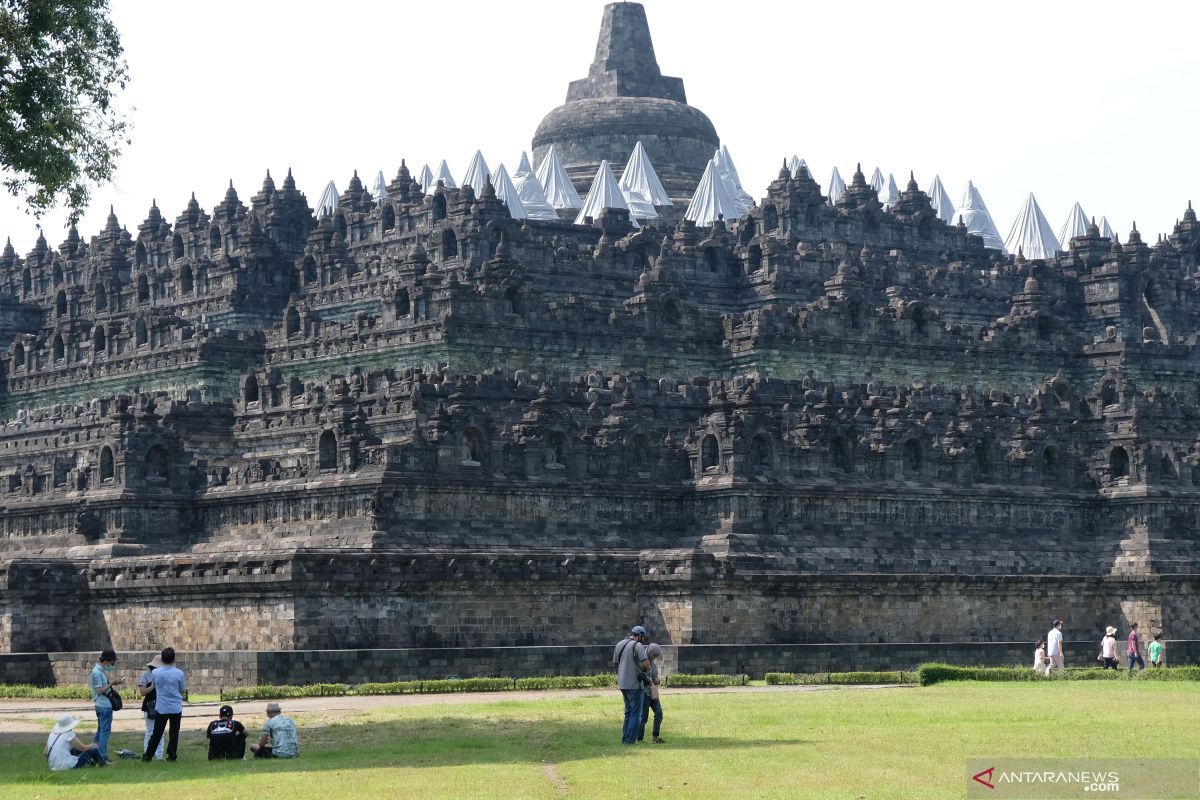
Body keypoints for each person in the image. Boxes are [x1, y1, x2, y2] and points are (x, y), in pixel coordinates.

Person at [142, 647, 186, 762]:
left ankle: (148, 756)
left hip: (161, 706)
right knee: (174, 733)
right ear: (173, 659)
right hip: (175, 707)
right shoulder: (179, 673)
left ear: (162, 659)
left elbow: (155, 686)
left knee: (157, 733)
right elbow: (182, 689)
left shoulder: (156, 672)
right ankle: (171, 755)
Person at [612, 625, 650, 745]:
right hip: (634, 684)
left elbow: (615, 662)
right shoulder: (637, 645)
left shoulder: (619, 644)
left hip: (622, 683)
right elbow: (646, 664)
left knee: (628, 713)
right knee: (636, 714)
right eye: (641, 637)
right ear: (639, 636)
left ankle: (625, 739)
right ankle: (629, 741)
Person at [90, 649, 123, 764]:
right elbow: (99, 691)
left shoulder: (100, 671)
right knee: (104, 732)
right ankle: (103, 758)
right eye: (112, 663)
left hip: (104, 705)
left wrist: (113, 683)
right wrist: (112, 683)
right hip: (103, 706)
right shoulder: (97, 672)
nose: (113, 665)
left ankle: (92, 754)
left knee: (100, 732)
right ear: (107, 661)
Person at [138, 654, 165, 761]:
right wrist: (153, 686)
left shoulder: (164, 675)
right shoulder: (145, 675)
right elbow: (142, 691)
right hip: (149, 706)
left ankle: (159, 756)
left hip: (162, 705)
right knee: (150, 731)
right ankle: (146, 753)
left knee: (161, 732)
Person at [638, 642, 665, 743]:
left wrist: (657, 680)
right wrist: (647, 681)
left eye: (657, 656)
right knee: (643, 717)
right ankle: (639, 739)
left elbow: (655, 676)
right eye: (654, 655)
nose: (655, 657)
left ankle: (655, 736)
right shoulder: (641, 662)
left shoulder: (653, 664)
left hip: (653, 693)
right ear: (650, 652)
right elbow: (639, 676)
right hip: (645, 693)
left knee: (659, 713)